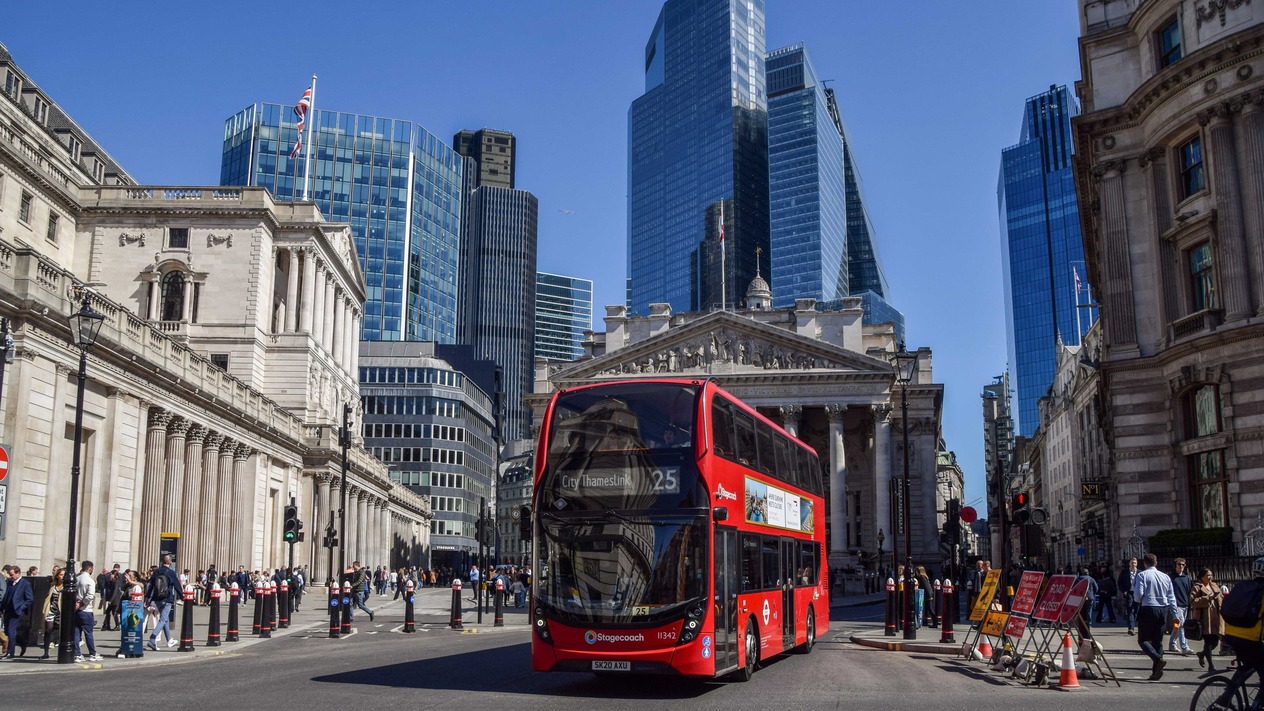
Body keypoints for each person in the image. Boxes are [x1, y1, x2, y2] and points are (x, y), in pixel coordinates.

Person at [1133, 553, 1179, 680]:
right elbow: (1171, 597)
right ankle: (1156, 671)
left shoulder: (1142, 575)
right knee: (1158, 641)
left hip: (1148, 607)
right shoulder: (1165, 577)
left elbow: (1138, 595)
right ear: (1156, 563)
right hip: (1163, 609)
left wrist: (1138, 599)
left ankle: (1157, 659)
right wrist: (1175, 614)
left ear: (1144, 563)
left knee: (1143, 640)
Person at [1191, 567, 1225, 671]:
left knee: (1215, 641)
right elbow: (1193, 601)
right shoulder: (1197, 587)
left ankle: (1201, 654)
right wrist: (1207, 598)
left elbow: (1221, 598)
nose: (1209, 577)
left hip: (1216, 617)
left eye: (1210, 575)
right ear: (1202, 577)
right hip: (1205, 618)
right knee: (1208, 642)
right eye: (1207, 575)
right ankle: (1211, 665)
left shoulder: (1214, 585)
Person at [145, 554, 181, 651]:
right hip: (167, 598)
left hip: (156, 598)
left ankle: (169, 640)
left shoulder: (156, 572)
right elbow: (177, 586)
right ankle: (152, 639)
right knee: (163, 619)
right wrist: (182, 597)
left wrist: (147, 598)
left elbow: (151, 585)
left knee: (165, 619)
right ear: (170, 562)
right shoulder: (171, 573)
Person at [1, 564, 33, 659]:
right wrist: (1, 609)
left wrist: (21, 607)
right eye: (10, 575)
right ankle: (23, 642)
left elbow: (30, 599)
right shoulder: (10, 583)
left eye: (12, 575)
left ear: (18, 573)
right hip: (8, 610)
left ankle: (10, 652)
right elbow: (6, 597)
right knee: (7, 632)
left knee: (11, 631)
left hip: (17, 611)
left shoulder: (25, 584)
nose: (11, 577)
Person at [74, 561, 103, 662]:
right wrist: (81, 604)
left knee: (76, 633)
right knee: (88, 633)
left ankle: (77, 654)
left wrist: (76, 604)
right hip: (86, 610)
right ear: (90, 568)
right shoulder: (90, 581)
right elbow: (90, 596)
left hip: (76, 610)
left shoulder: (76, 579)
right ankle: (93, 654)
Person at [1169, 557, 1193, 655]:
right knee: (1181, 624)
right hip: (1176, 604)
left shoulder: (1187, 578)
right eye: (1179, 564)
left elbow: (1190, 590)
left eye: (1183, 565)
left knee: (1177, 626)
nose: (1181, 566)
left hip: (1185, 604)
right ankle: (1185, 647)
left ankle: (1172, 643)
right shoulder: (1171, 577)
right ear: (1175, 566)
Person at [1118, 557, 1139, 635]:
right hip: (1129, 593)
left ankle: (1133, 624)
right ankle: (1131, 628)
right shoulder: (1125, 572)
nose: (1133, 564)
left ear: (1137, 564)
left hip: (1138, 593)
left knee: (1136, 610)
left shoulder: (1140, 573)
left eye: (1135, 563)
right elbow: (1120, 582)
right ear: (1129, 564)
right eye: (1132, 563)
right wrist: (1124, 591)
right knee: (1130, 610)